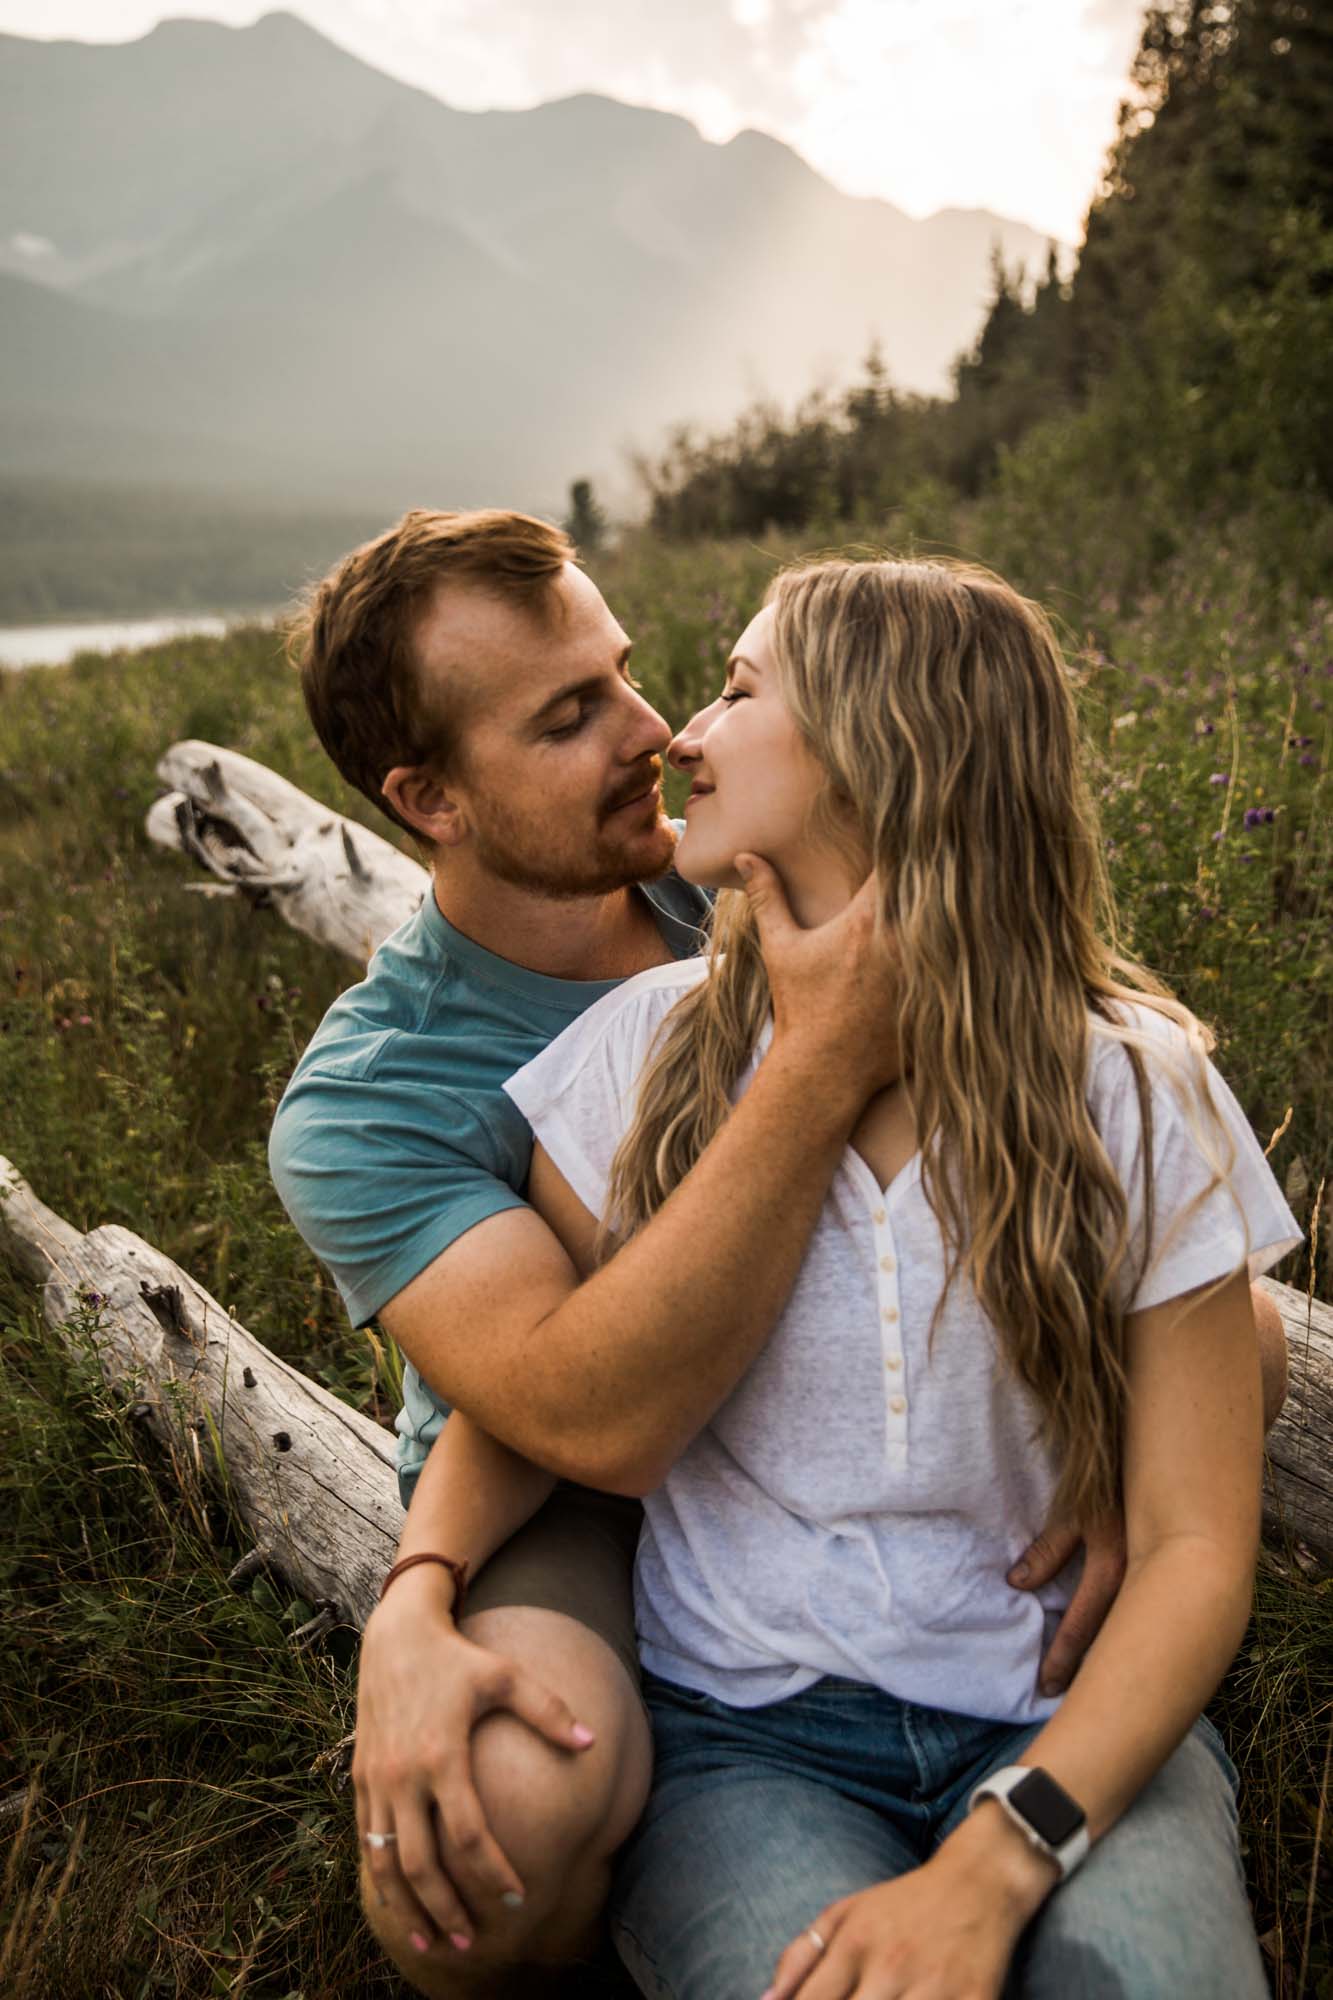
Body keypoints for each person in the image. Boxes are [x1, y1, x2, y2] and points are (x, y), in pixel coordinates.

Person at [270, 513, 1287, 1997]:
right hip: (618, 1527)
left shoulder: (1101, 1068)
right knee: (526, 1819)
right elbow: (568, 1406)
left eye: (652, 680)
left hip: (1011, 1664)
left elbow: (1185, 1375)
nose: (655, 731)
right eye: (569, 719)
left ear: (885, 761)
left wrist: (1119, 1446)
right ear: (429, 800)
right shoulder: (435, 1088)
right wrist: (416, 1593)